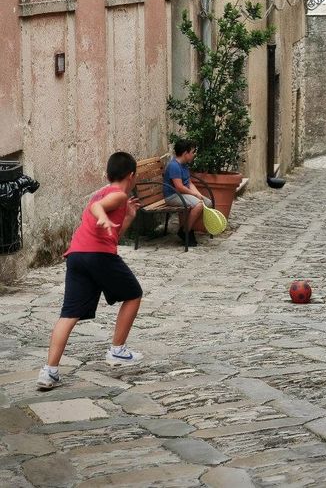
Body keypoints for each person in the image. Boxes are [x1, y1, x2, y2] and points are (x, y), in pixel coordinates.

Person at [36, 152, 143, 390]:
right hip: (97, 256)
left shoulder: (105, 193)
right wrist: (103, 216)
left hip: (77, 256)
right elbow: (97, 208)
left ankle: (49, 372)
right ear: (132, 175)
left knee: (69, 314)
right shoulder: (116, 194)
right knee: (134, 294)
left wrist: (128, 217)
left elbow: (112, 237)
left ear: (108, 174)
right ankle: (117, 350)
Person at [164, 139, 212, 246]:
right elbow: (179, 187)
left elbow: (189, 183)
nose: (194, 154)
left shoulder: (184, 165)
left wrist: (198, 194)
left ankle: (187, 227)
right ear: (185, 153)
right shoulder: (174, 166)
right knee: (199, 205)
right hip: (173, 196)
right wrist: (194, 195)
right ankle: (185, 231)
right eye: (193, 152)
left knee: (207, 203)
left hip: (182, 195)